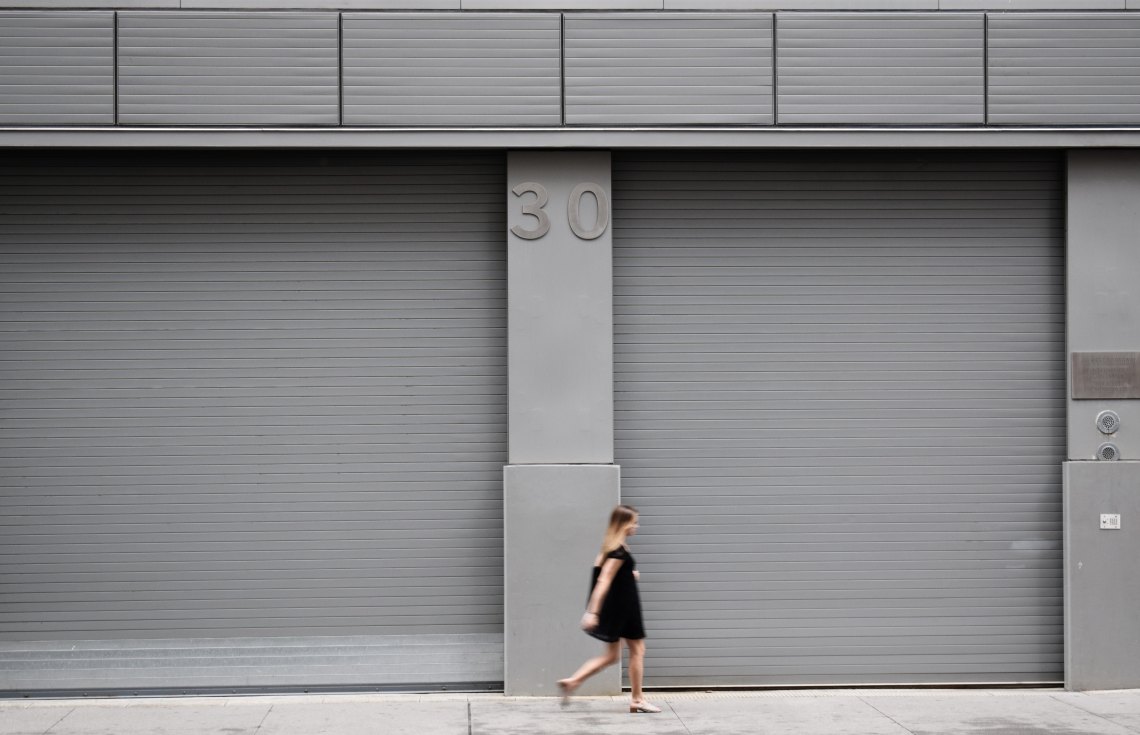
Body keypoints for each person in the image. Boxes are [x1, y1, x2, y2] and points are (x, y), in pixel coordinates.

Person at [557, 504, 660, 714]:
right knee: (638, 650)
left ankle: (573, 681)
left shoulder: (611, 548)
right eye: (634, 522)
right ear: (624, 524)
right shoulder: (618, 551)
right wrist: (592, 612)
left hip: (619, 607)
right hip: (626, 608)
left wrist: (630, 576)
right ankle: (637, 700)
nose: (637, 526)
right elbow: (603, 580)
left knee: (612, 656)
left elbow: (605, 575)